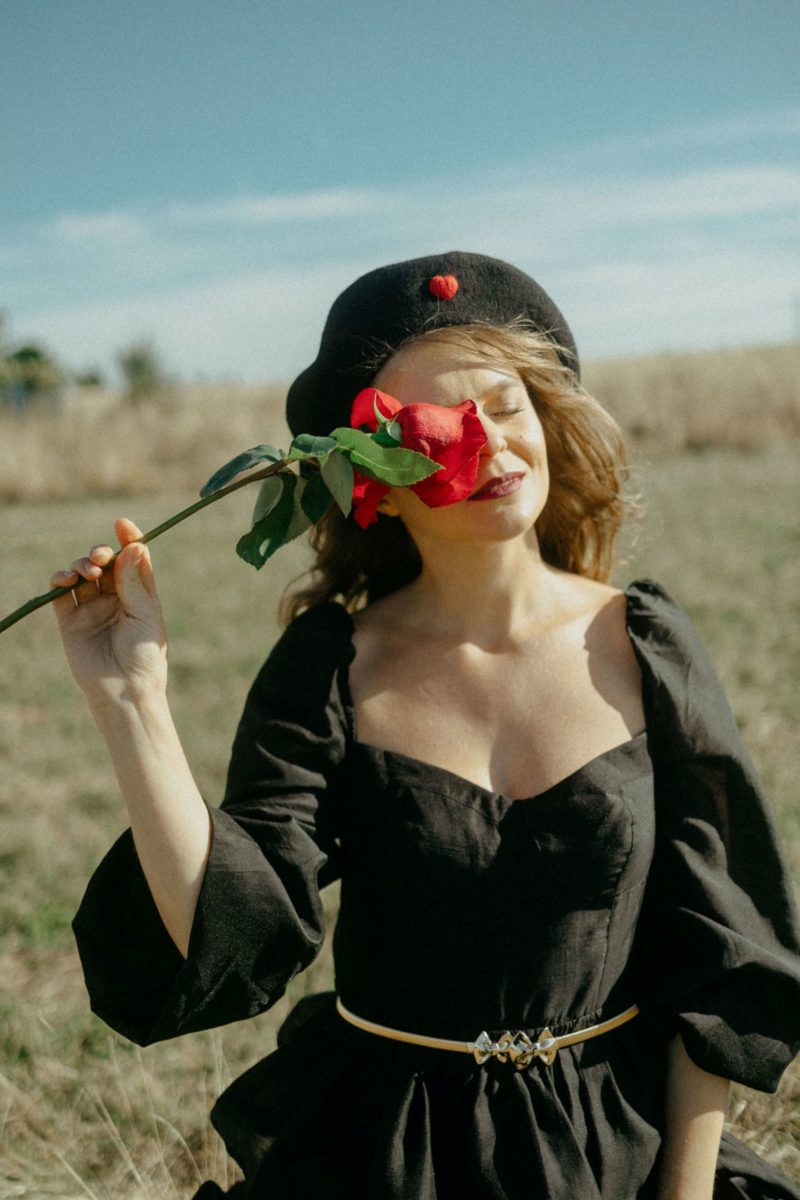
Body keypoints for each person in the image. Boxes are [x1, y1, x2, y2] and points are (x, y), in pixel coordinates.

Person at [53, 252, 800, 1200]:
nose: (488, 443)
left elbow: (722, 953)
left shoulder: (646, 643)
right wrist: (130, 700)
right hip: (386, 1157)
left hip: (623, 1152)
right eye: (432, 428)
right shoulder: (331, 669)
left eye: (507, 404)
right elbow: (238, 935)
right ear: (367, 477)